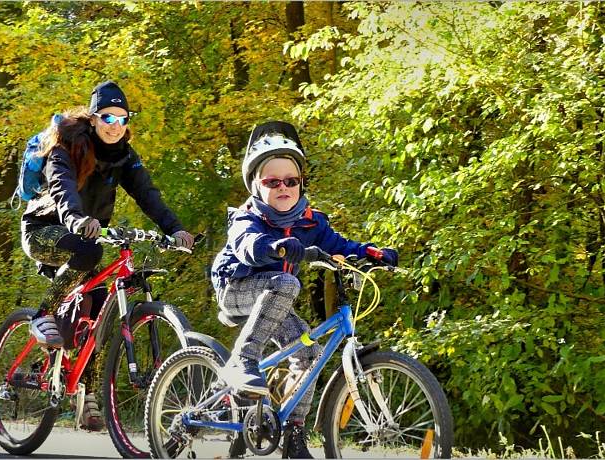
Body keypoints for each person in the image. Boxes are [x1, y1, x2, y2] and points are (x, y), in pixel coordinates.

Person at [210, 121, 398, 458]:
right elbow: (246, 245)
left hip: (275, 297)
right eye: (272, 181)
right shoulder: (247, 217)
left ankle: (293, 433)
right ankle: (243, 361)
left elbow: (338, 244)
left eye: (291, 181)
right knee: (287, 282)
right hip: (235, 287)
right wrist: (274, 247)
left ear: (301, 183)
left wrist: (371, 253)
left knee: (307, 350)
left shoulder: (310, 221)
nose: (283, 187)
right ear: (256, 185)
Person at [20, 80, 195, 430]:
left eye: (122, 119)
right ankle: (42, 314)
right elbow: (62, 186)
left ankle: (88, 399)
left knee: (98, 311)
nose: (115, 126)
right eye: (107, 118)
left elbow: (148, 195)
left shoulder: (125, 157)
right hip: (45, 230)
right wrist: (76, 219)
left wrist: (175, 230)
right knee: (89, 252)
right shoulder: (66, 144)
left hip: (85, 237)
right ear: (93, 118)